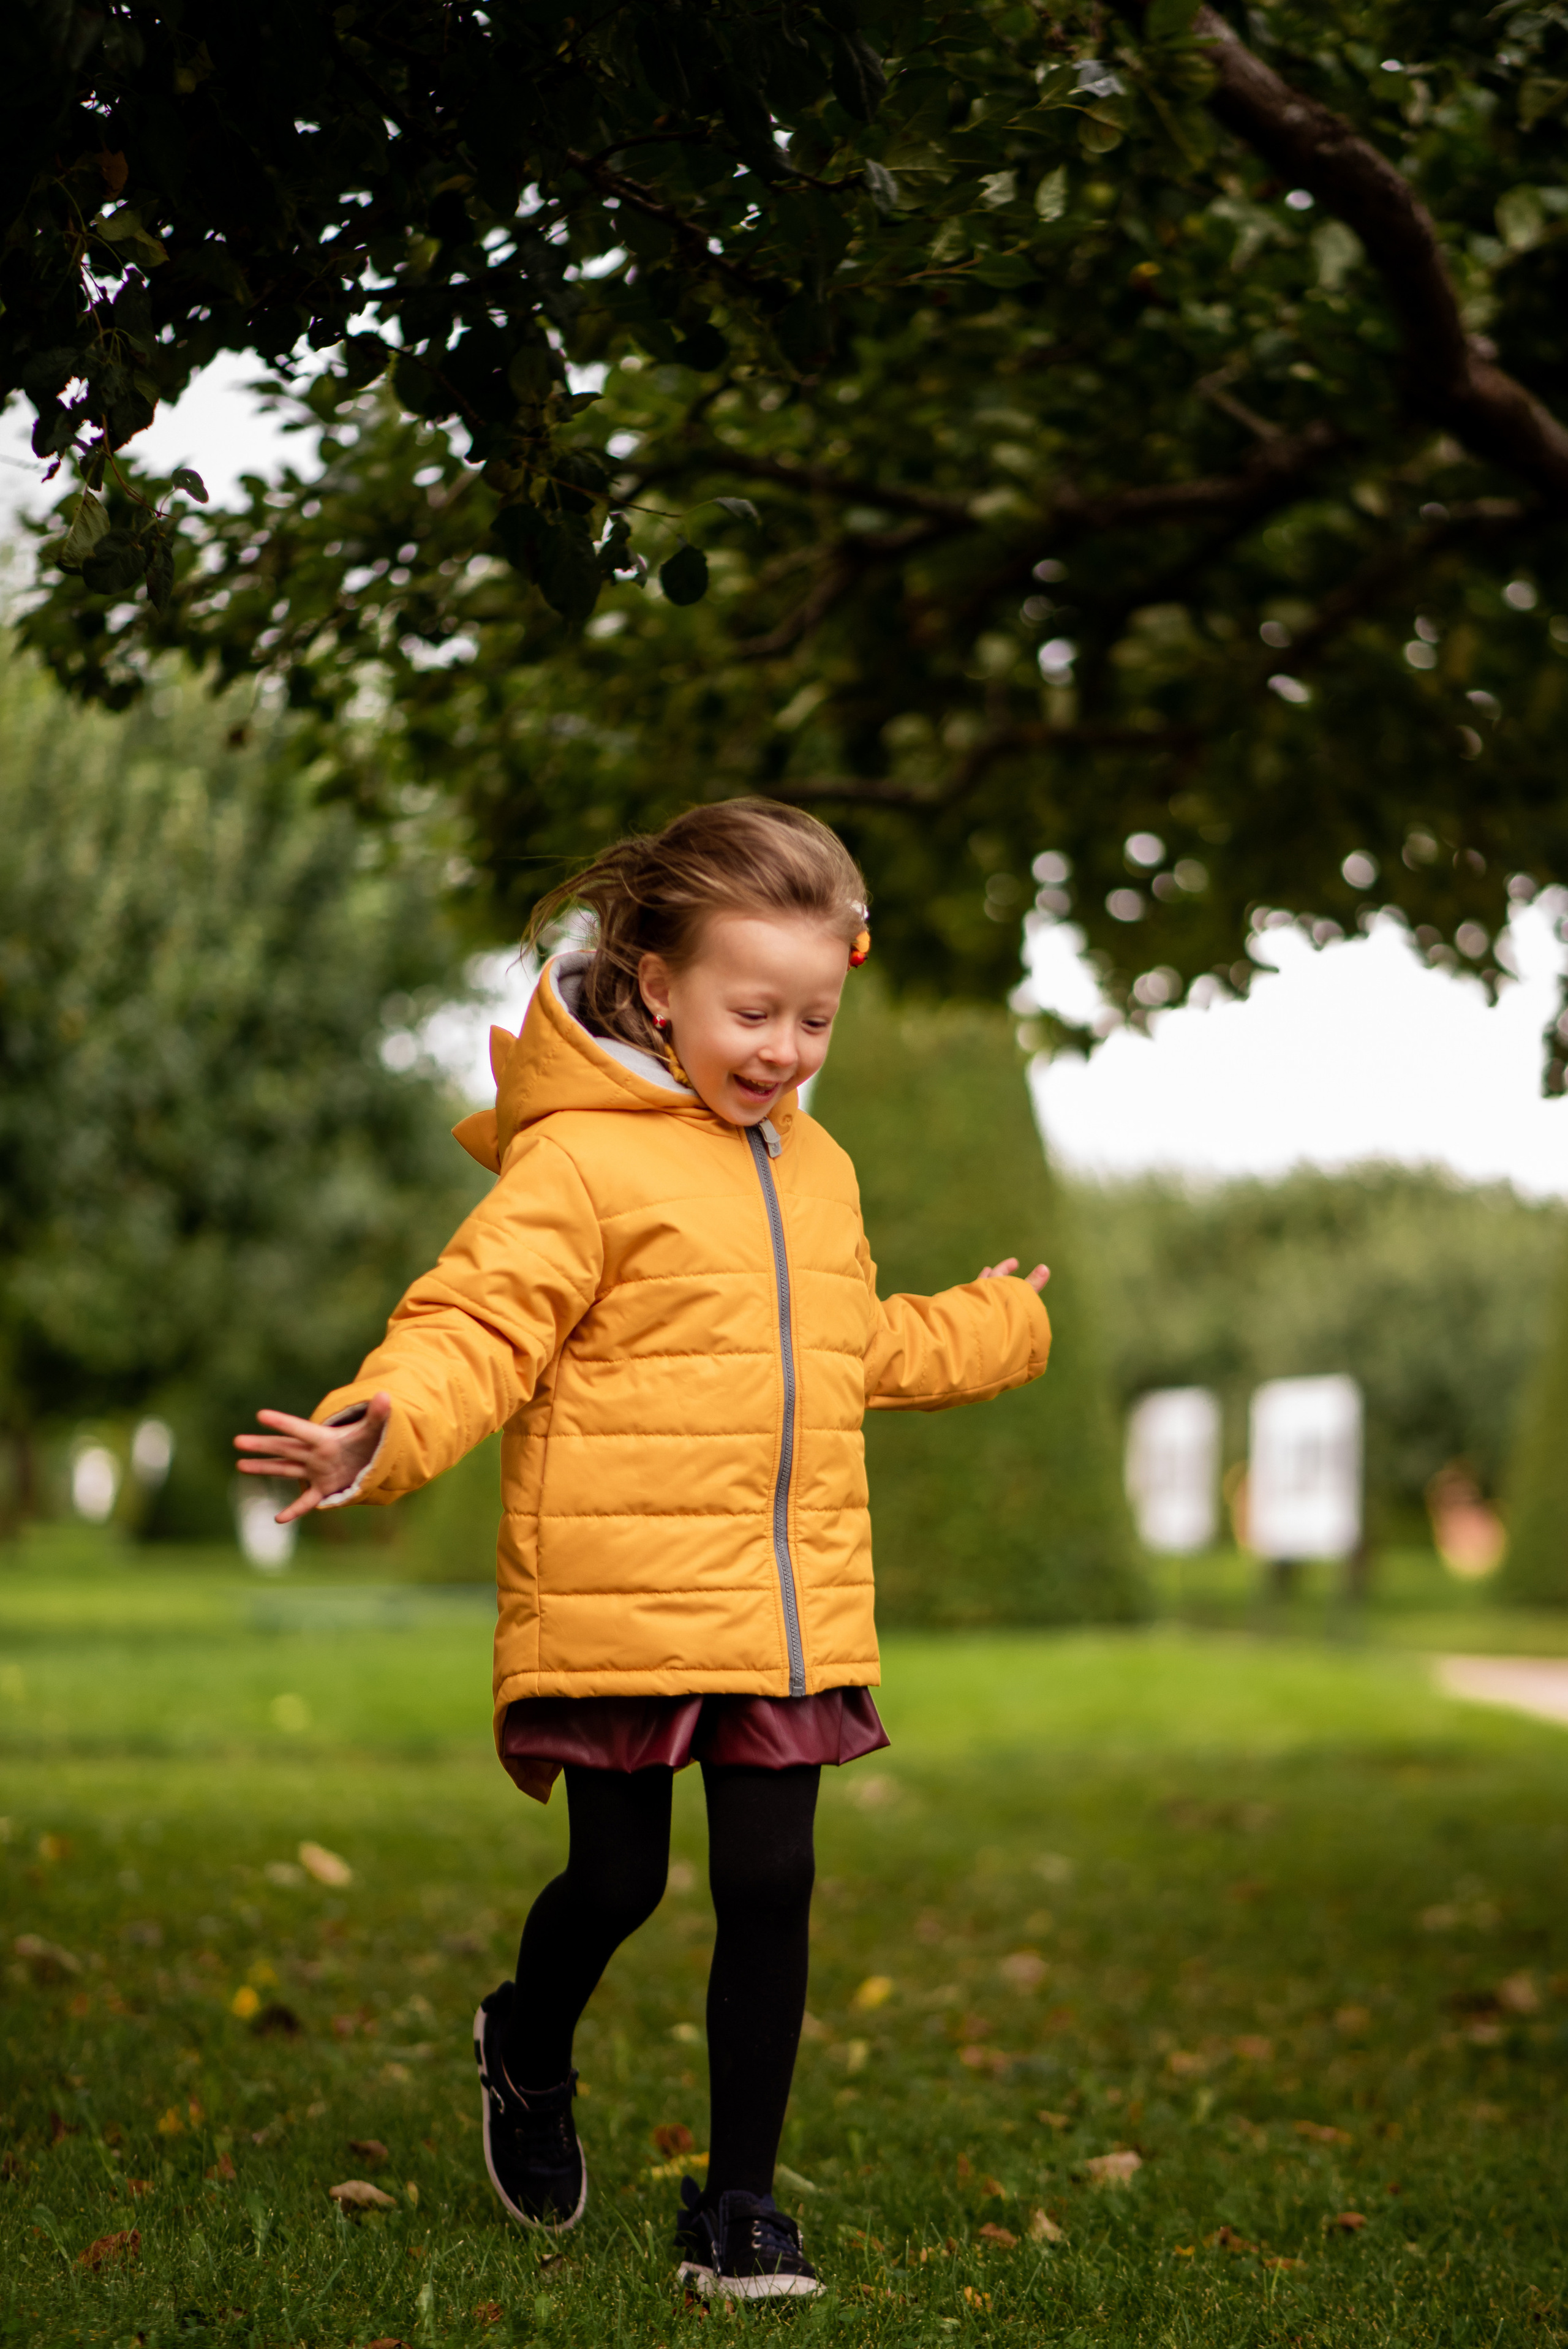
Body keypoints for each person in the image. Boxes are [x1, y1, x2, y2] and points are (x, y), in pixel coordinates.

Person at [235, 800, 1051, 2301]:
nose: (786, 1049)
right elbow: (478, 1321)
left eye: (814, 1018)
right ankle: (526, 2043)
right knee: (618, 1883)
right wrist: (380, 1423)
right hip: (619, 1592)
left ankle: (738, 2207)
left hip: (786, 1603)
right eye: (753, 1012)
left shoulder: (817, 1169)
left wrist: (998, 1323)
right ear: (659, 986)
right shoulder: (581, 1161)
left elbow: (846, 1347)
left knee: (772, 1879)